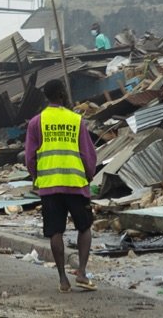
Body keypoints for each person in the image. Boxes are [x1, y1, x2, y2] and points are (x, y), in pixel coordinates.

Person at [25, 79, 97, 293]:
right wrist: (89, 175)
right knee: (84, 227)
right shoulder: (76, 120)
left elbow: (30, 157)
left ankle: (63, 279)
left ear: (46, 96)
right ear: (63, 94)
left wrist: (36, 176)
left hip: (50, 186)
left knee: (55, 231)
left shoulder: (36, 122)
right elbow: (87, 153)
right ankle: (82, 272)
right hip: (75, 183)